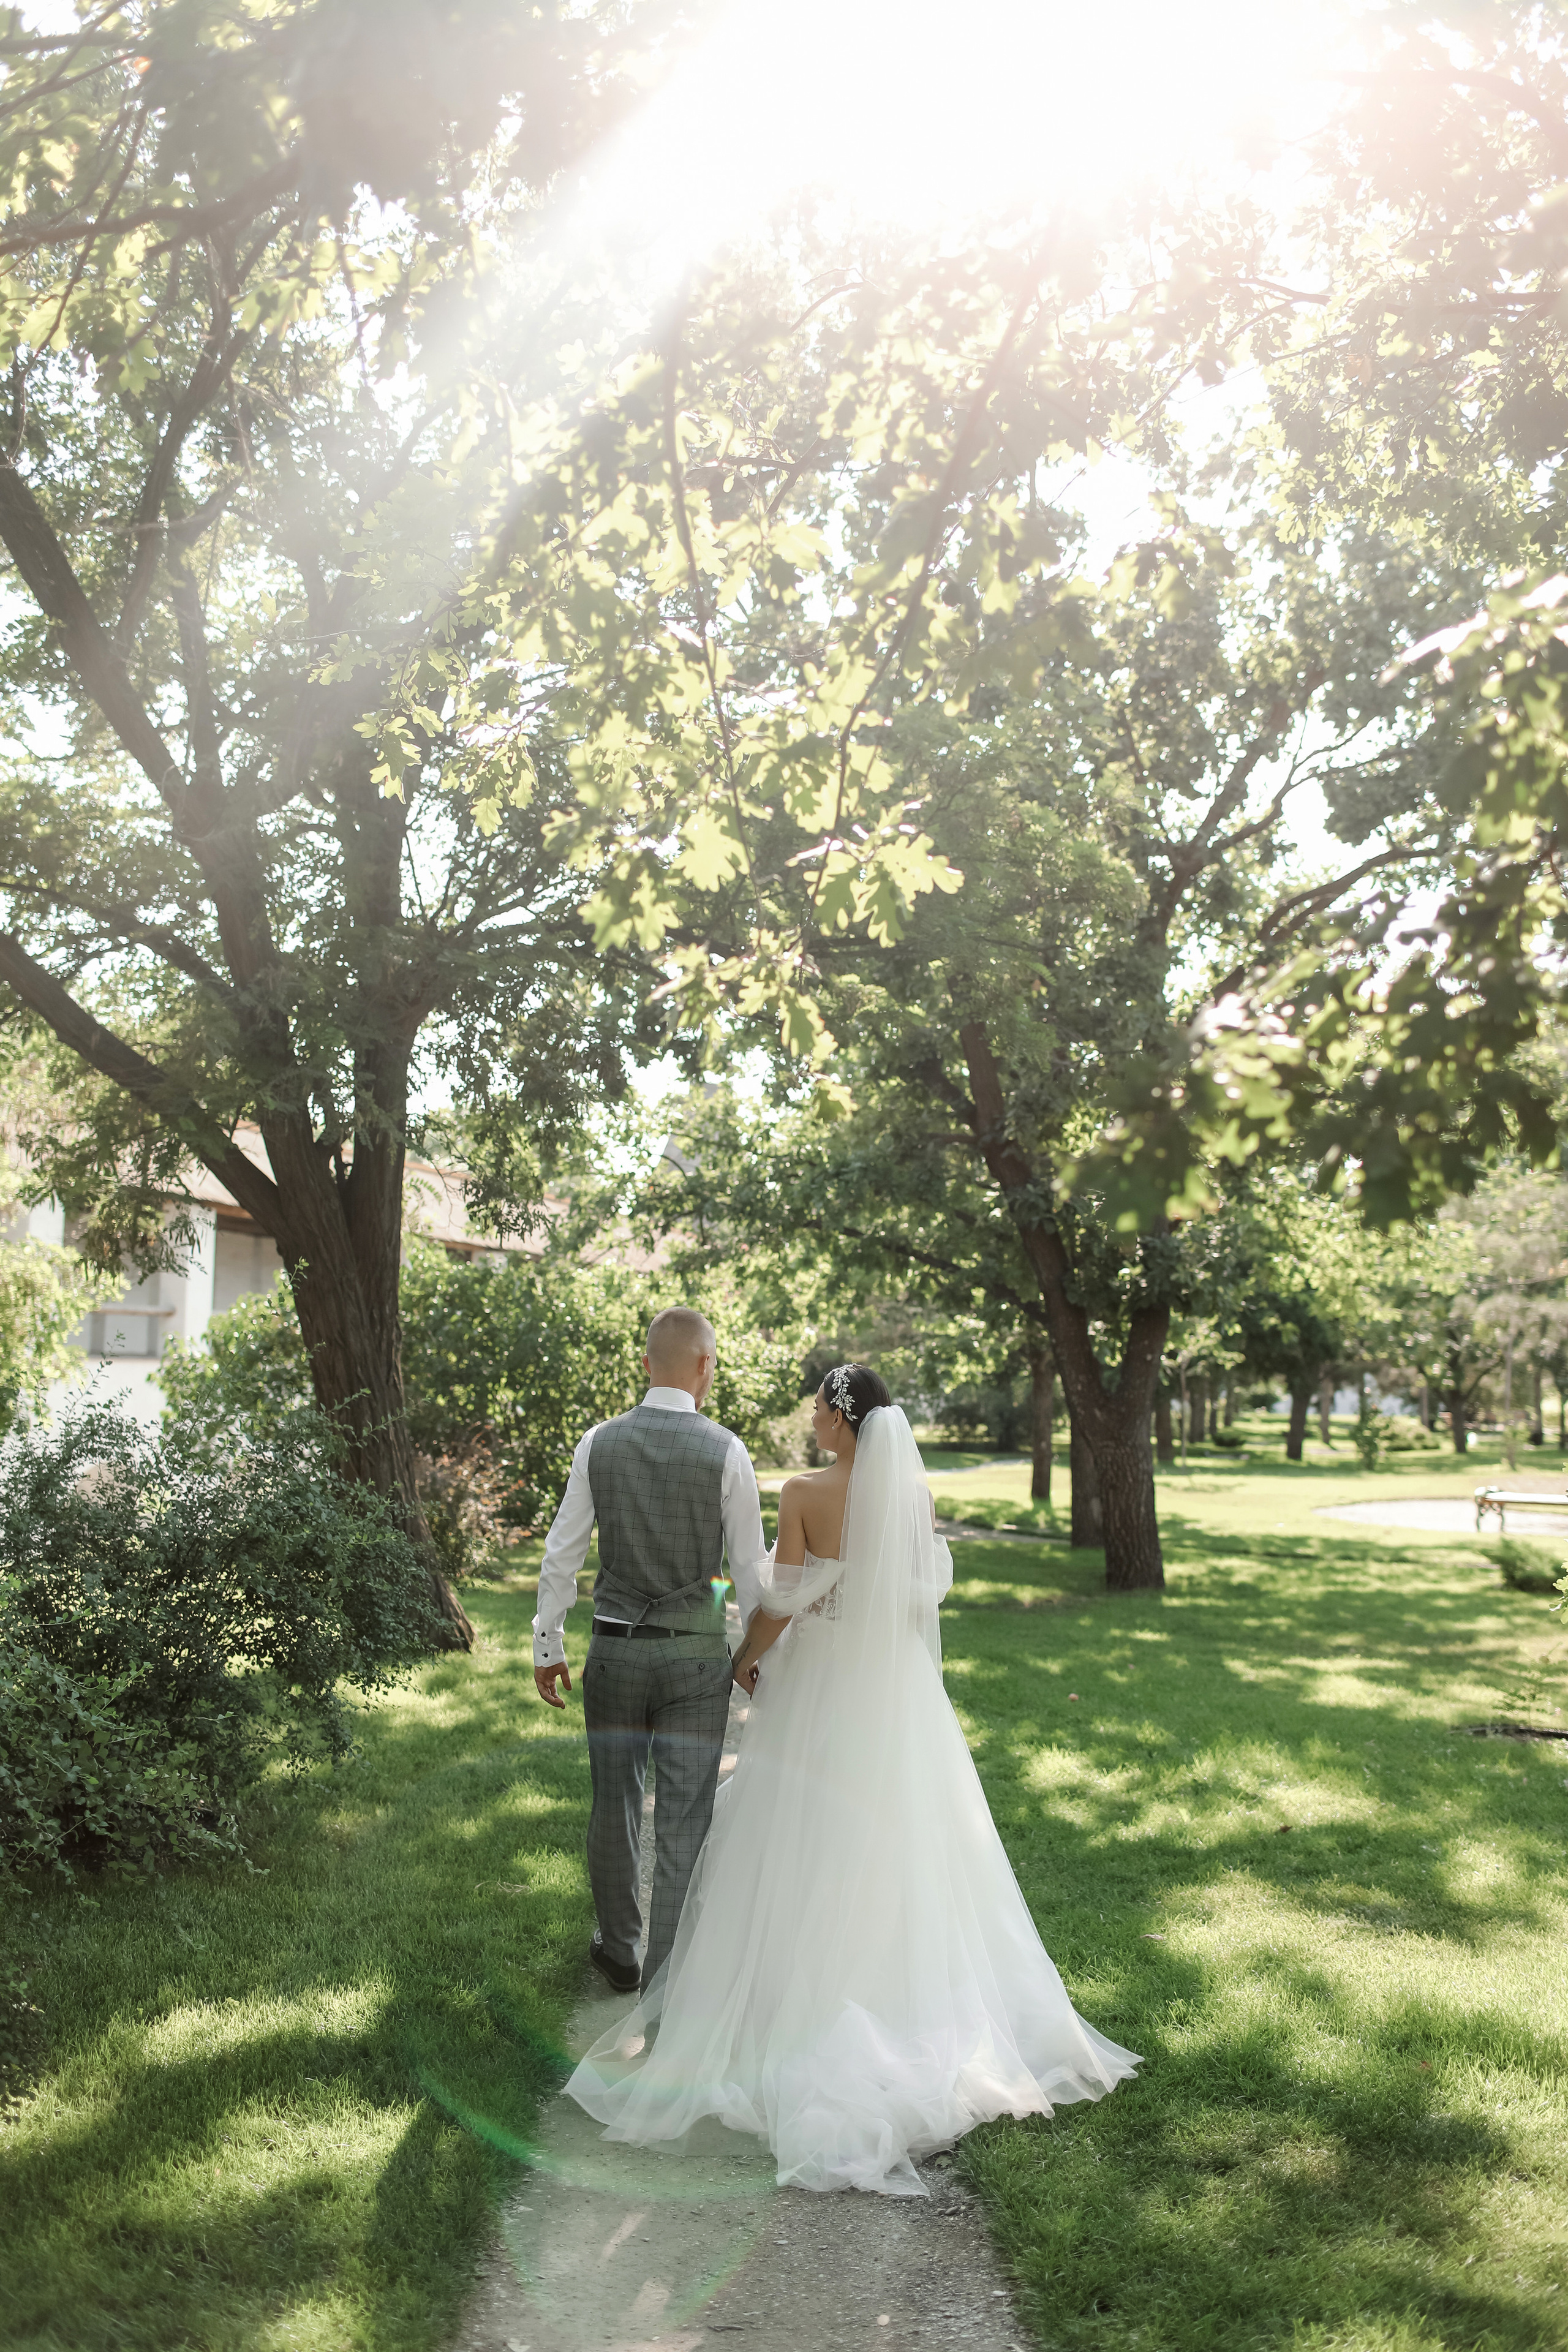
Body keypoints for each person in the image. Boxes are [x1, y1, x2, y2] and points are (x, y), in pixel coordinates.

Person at [565, 1363, 1141, 2196]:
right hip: (898, 1688)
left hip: (824, 1682)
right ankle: (903, 1997)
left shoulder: (804, 1493)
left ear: (839, 1417)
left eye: (816, 1408)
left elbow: (781, 1600)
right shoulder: (911, 1495)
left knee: (801, 1832)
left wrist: (744, 1660)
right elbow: (911, 1602)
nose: (810, 1419)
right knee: (903, 1837)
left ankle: (790, 2010)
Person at [533, 1305, 767, 1993]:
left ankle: (621, 1952)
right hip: (696, 1657)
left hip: (613, 1652)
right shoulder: (726, 1449)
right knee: (686, 1812)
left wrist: (549, 1644)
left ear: (645, 1364)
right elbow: (749, 1570)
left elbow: (561, 1555)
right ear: (704, 1367)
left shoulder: (597, 1442)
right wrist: (754, 1655)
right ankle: (670, 1971)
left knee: (614, 1802)